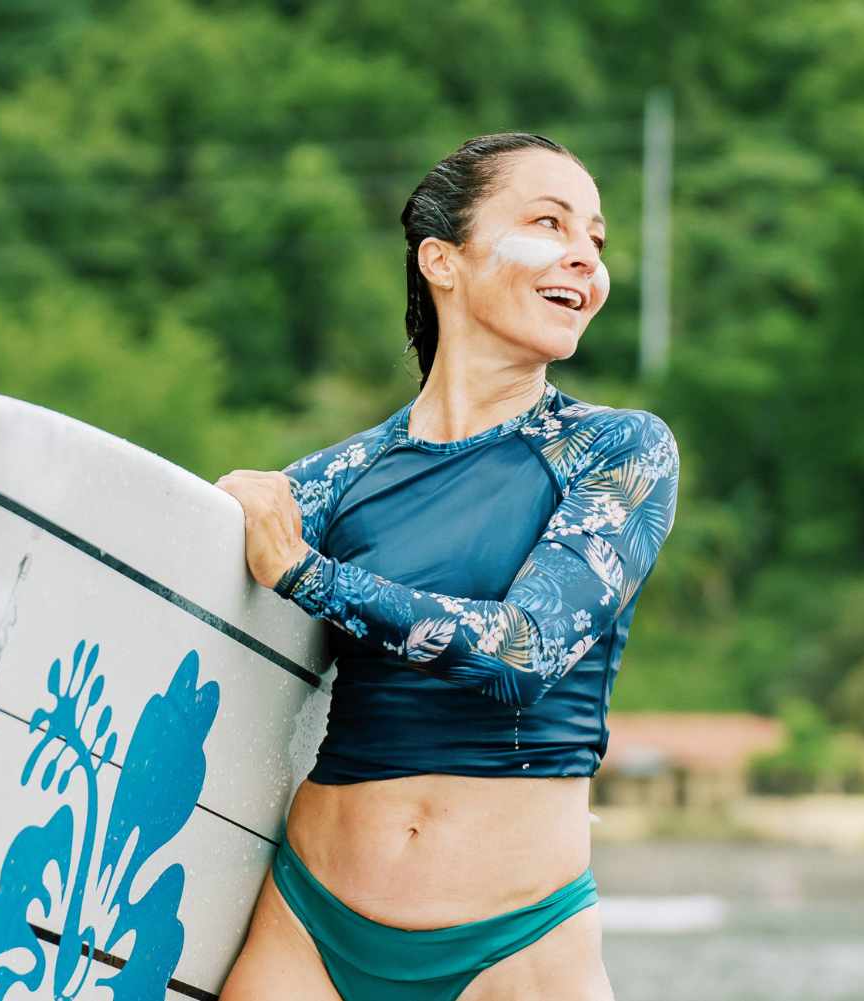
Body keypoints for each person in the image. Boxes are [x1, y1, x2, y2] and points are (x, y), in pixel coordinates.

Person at [215, 133, 679, 1001]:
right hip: (309, 927)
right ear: (443, 260)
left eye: (599, 240)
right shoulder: (333, 479)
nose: (587, 256)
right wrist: (222, 508)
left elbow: (523, 654)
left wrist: (306, 574)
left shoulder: (616, 451)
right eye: (551, 222)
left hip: (515, 948)